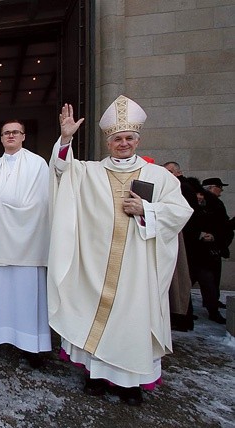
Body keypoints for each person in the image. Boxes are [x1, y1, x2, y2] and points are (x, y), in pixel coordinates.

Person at [48, 97, 193, 406]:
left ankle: (131, 383)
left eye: (128, 138)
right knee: (93, 314)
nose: (123, 143)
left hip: (138, 268)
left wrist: (147, 210)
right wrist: (66, 138)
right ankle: (96, 377)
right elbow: (61, 172)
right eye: (117, 139)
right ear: (108, 142)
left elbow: (180, 213)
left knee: (133, 322)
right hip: (96, 265)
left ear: (137, 140)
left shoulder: (159, 177)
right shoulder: (90, 173)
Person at [0, 119, 51, 368]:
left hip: (26, 243)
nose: (10, 136)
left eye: (15, 132)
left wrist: (6, 212)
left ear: (23, 136)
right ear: (1, 138)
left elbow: (42, 202)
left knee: (26, 296)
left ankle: (31, 347)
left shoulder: (37, 164)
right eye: (6, 133)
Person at [162, 161, 199, 331]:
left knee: (179, 281)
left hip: (179, 237)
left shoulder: (181, 187)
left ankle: (183, 318)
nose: (167, 174)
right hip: (177, 236)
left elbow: (184, 212)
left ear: (178, 172)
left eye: (170, 171)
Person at [190, 177, 231, 323]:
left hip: (207, 253)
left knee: (209, 283)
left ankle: (212, 309)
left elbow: (222, 226)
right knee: (199, 282)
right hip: (195, 253)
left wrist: (215, 238)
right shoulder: (194, 206)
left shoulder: (215, 205)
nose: (221, 191)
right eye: (219, 187)